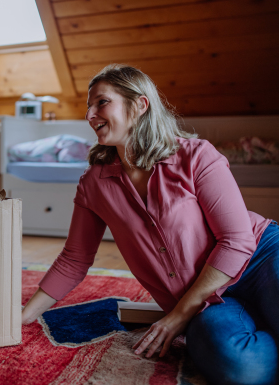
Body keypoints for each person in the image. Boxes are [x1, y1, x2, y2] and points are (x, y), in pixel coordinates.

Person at [21, 64, 277, 385]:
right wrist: (24, 316)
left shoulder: (196, 155)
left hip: (259, 256)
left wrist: (176, 318)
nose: (90, 114)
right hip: (203, 295)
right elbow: (75, 258)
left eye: (101, 102)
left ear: (140, 105)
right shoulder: (93, 183)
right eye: (89, 106)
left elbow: (237, 241)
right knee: (243, 369)